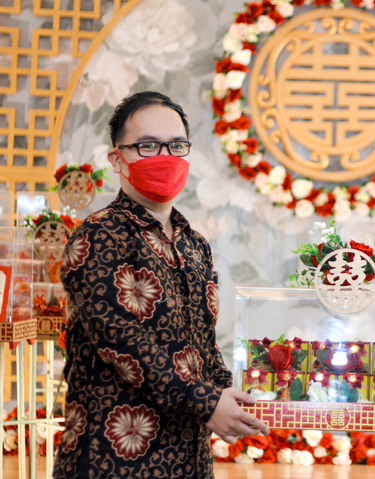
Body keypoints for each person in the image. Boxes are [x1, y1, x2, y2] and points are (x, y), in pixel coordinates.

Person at [53, 91, 269, 479]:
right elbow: (123, 342)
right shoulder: (99, 236)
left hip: (189, 460)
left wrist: (236, 397)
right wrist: (207, 401)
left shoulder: (194, 243)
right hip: (113, 461)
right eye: (148, 145)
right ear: (117, 159)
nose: (164, 157)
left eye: (175, 145)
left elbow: (204, 345)